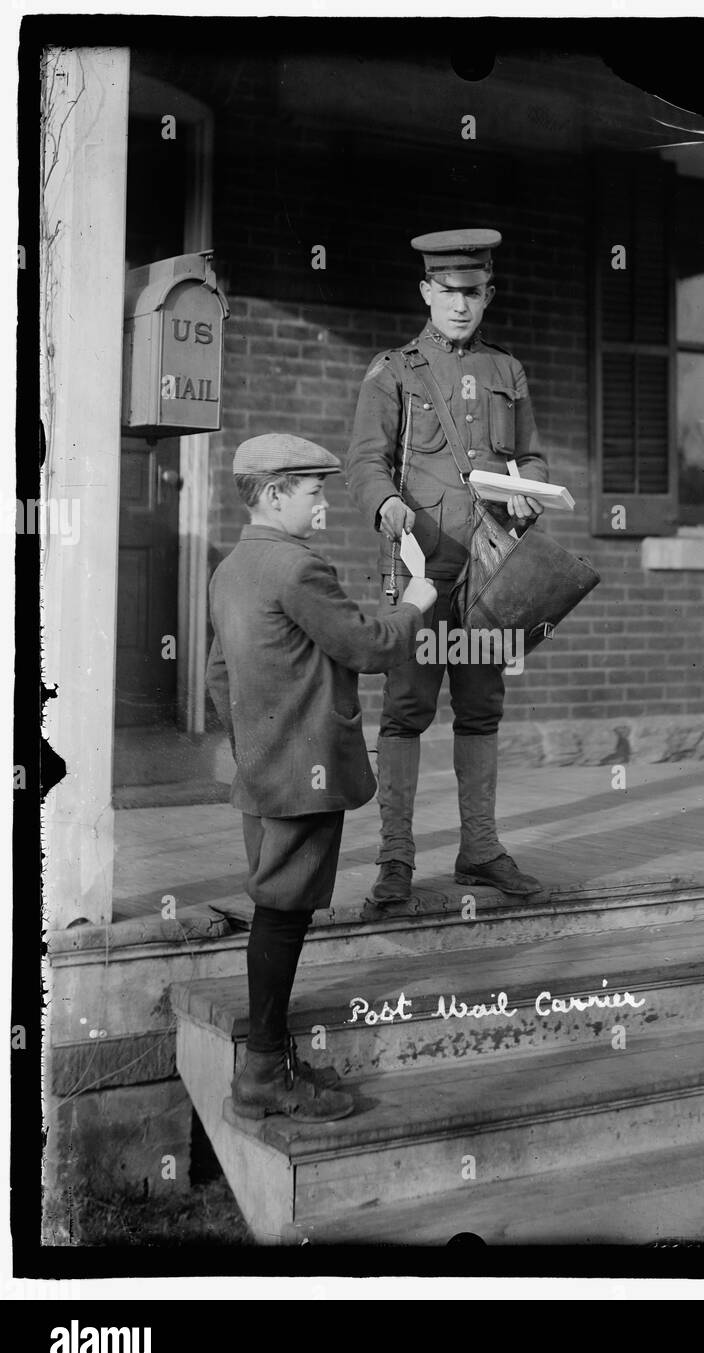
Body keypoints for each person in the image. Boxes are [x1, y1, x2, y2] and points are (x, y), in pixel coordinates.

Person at [206, 433, 437, 1121]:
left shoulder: (230, 569)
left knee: (280, 909)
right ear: (275, 495)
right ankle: (264, 1078)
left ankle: (269, 1063)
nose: (324, 505)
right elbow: (365, 646)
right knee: (282, 916)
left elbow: (220, 675)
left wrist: (249, 748)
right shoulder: (297, 569)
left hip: (265, 770)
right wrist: (416, 602)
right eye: (314, 491)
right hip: (305, 772)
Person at [345, 228, 547, 906]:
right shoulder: (394, 369)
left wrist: (530, 492)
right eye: (448, 291)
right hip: (423, 573)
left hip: (491, 571)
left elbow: (532, 458)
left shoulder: (507, 372)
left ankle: (480, 849)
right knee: (405, 712)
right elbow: (366, 462)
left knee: (482, 710)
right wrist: (388, 505)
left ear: (488, 294)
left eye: (474, 292)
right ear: (426, 291)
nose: (461, 305)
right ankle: (395, 861)